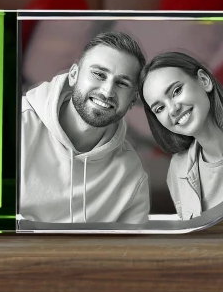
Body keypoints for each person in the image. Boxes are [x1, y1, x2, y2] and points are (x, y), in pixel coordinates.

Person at [20, 31, 151, 224]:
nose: (107, 91)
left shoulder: (131, 176)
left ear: (133, 100)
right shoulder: (14, 130)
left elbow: (131, 251)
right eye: (99, 74)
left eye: (122, 83)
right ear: (73, 75)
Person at [139, 52, 223, 220]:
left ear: (204, 81)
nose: (172, 109)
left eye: (176, 91)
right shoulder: (177, 170)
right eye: (159, 108)